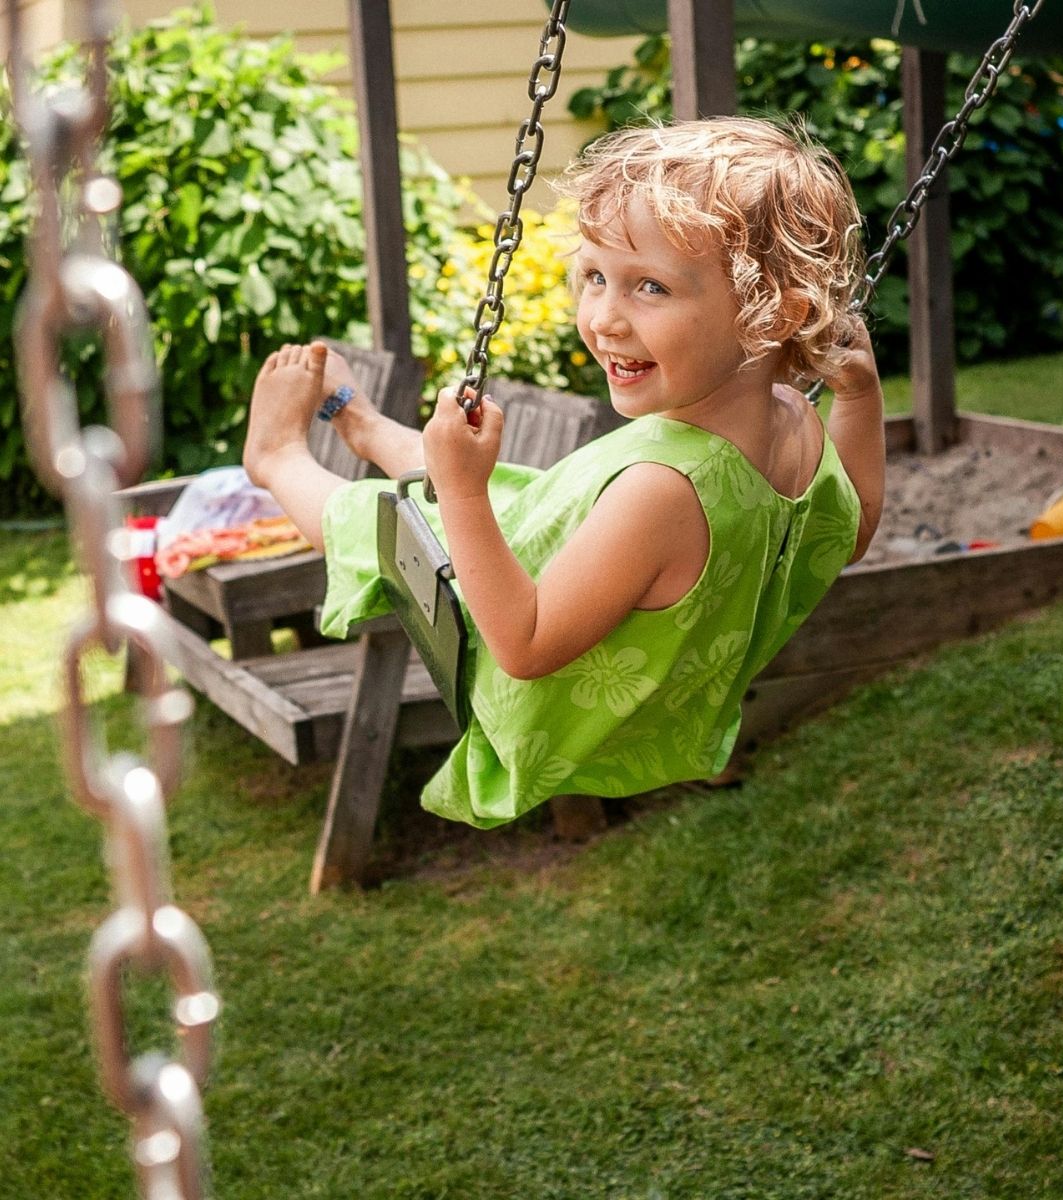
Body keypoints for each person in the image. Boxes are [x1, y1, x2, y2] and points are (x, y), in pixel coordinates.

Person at [243, 116, 885, 828]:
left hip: (529, 661)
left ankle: (277, 458)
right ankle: (368, 428)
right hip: (566, 555)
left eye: (650, 288)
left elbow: (523, 644)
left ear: (772, 317)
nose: (602, 317)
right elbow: (846, 529)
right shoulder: (793, 419)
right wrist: (859, 397)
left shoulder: (663, 492)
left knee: (386, 522)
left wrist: (459, 490)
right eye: (596, 277)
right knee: (515, 492)